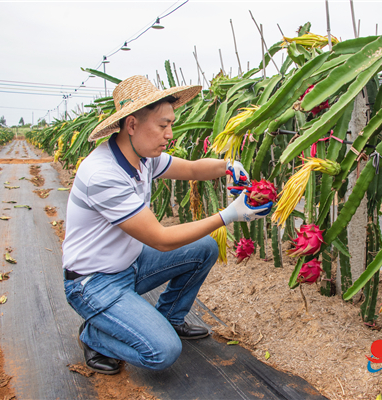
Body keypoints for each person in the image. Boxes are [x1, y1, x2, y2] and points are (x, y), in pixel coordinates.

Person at [62, 75, 272, 375]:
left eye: (170, 124)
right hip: (93, 283)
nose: (169, 133)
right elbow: (160, 239)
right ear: (132, 125)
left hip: (131, 264)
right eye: (163, 126)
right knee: (163, 352)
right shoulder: (104, 174)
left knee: (204, 248)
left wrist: (228, 166)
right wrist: (229, 215)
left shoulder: (142, 156)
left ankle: (170, 317)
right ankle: (96, 334)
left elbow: (190, 169)